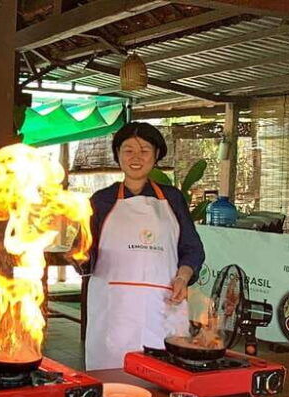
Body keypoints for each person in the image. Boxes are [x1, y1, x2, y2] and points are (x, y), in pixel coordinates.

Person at [84, 122, 205, 370]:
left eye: (145, 151)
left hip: (162, 303)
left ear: (157, 155)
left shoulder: (172, 199)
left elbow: (192, 248)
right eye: (128, 150)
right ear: (117, 155)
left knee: (162, 377)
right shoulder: (101, 201)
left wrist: (183, 277)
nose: (136, 157)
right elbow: (87, 256)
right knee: (112, 380)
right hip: (114, 309)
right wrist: (73, 253)